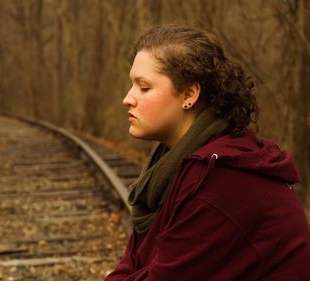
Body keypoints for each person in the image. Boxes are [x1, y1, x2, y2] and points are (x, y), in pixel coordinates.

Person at [105, 25, 310, 281]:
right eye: (131, 85)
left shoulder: (222, 181)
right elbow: (132, 262)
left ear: (189, 94)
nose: (128, 98)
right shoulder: (167, 167)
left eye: (143, 87)